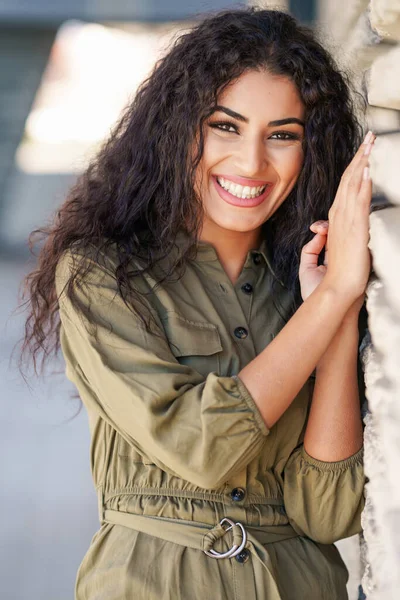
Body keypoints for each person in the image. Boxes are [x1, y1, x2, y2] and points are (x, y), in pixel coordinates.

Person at [22, 7, 373, 600]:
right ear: (180, 126)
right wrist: (334, 296)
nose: (252, 163)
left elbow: (327, 513)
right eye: (226, 126)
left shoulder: (304, 286)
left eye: (282, 135)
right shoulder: (102, 276)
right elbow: (200, 448)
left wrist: (334, 311)